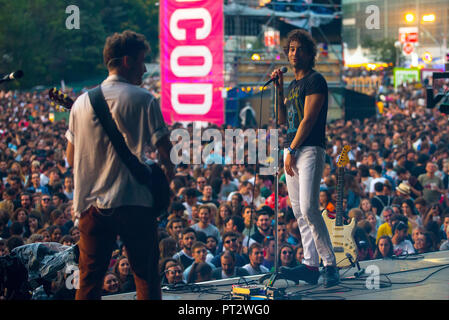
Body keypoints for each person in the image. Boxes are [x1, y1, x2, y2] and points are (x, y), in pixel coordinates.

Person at [66, 30, 174, 300]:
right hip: (134, 203)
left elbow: (70, 158)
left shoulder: (80, 103)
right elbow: (166, 153)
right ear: (127, 61)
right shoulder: (144, 98)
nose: (145, 68)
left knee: (88, 281)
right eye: (141, 61)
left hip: (91, 206)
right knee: (146, 277)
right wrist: (160, 181)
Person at [273, 29, 339, 287]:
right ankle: (311, 265)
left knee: (310, 207)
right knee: (299, 211)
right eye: (290, 49)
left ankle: (329, 264)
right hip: (292, 149)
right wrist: (279, 89)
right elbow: (283, 120)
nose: (293, 53)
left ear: (310, 54)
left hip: (309, 148)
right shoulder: (292, 86)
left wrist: (291, 150)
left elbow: (309, 120)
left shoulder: (315, 80)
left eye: (299, 49)